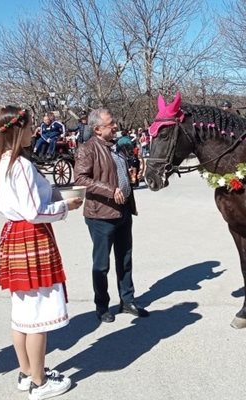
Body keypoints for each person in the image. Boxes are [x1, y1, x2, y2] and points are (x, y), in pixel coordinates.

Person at [0, 106, 81, 400]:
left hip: (13, 235)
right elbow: (34, 212)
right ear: (19, 130)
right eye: (30, 127)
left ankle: (27, 372)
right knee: (38, 312)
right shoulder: (21, 165)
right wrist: (65, 206)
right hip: (31, 237)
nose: (34, 132)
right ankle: (40, 383)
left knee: (22, 311)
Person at [73, 108, 148, 323]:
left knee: (125, 259)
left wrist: (133, 175)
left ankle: (127, 300)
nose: (115, 126)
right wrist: (109, 190)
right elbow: (80, 179)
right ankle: (102, 305)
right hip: (101, 216)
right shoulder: (87, 150)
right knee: (102, 264)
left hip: (123, 211)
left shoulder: (117, 146)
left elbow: (120, 171)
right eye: (110, 123)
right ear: (97, 129)